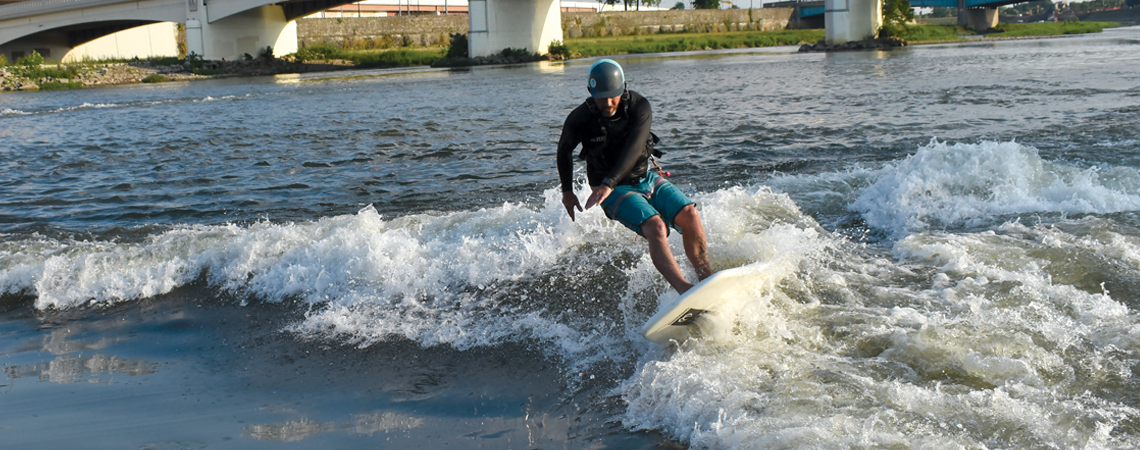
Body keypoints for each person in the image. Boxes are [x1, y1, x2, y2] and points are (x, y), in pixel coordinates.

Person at [556, 59, 713, 294]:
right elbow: (563, 150)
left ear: (623, 89)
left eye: (613, 96)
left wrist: (610, 181)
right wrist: (567, 192)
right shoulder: (580, 118)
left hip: (644, 178)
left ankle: (707, 278)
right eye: (600, 97)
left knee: (690, 214)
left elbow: (634, 147)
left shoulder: (639, 107)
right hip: (611, 191)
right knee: (656, 227)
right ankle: (685, 290)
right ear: (590, 92)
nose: (607, 103)